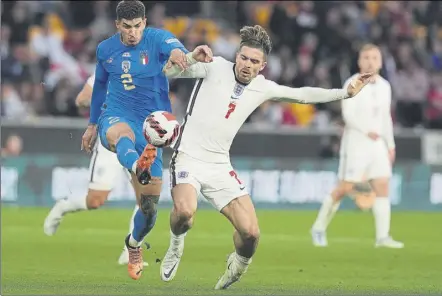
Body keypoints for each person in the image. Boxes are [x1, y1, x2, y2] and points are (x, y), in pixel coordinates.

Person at [160, 25, 374, 289]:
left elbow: (303, 95)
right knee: (184, 212)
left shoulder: (263, 87)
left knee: (250, 234)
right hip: (188, 156)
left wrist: (345, 93)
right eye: (244, 58)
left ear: (262, 66)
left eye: (254, 61)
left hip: (218, 164)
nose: (247, 65)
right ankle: (176, 245)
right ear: (236, 56)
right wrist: (191, 57)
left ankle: (237, 266)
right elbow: (167, 72)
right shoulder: (213, 66)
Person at [80, 0, 189, 280]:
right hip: (116, 115)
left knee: (149, 210)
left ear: (144, 23)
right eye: (127, 27)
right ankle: (136, 164)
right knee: (121, 137)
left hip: (152, 128)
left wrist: (181, 54)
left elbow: (175, 47)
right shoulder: (106, 50)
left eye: (137, 26)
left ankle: (134, 244)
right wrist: (93, 124)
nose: (133, 32)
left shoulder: (156, 38)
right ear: (118, 25)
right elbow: (100, 86)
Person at [43, 73, 148, 267]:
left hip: (137, 141)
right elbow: (81, 99)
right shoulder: (106, 71)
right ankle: (62, 207)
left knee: (145, 199)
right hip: (110, 142)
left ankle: (130, 251)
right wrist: (111, 101)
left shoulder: (146, 70)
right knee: (95, 200)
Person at [310, 44, 404, 249]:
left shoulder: (385, 86)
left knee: (382, 186)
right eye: (366, 57)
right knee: (344, 188)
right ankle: (318, 227)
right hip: (356, 143)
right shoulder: (352, 82)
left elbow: (386, 117)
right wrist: (365, 130)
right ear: (360, 61)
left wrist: (391, 144)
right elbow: (347, 115)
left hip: (377, 145)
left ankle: (382, 237)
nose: (370, 61)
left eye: (374, 57)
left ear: (380, 62)